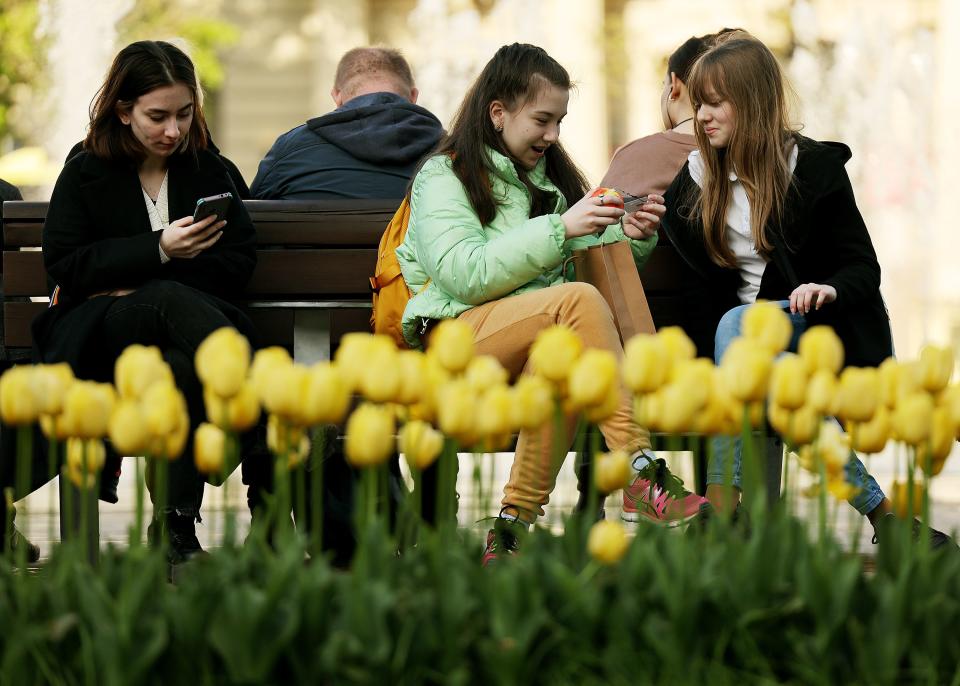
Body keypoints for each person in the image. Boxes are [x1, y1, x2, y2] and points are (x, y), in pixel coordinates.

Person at [395, 42, 707, 565]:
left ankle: (510, 528)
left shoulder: (547, 186)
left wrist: (632, 235)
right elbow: (463, 274)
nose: (553, 135)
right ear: (498, 112)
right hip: (457, 343)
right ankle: (639, 469)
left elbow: (569, 267)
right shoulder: (444, 176)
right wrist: (560, 227)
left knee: (561, 356)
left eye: (560, 121)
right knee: (575, 306)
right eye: (542, 120)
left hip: (530, 342)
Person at [661, 31, 954, 548]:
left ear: (752, 103)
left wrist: (826, 290)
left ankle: (721, 508)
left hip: (818, 325)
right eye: (698, 104)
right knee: (779, 395)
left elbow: (864, 269)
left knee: (738, 324)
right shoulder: (696, 179)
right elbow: (685, 282)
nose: (701, 117)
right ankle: (883, 515)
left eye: (715, 104)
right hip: (749, 355)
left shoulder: (812, 169)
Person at [32, 40, 263, 564]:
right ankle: (255, 404)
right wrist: (158, 250)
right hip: (101, 330)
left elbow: (240, 262)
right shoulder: (87, 170)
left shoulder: (207, 168)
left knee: (179, 365)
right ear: (123, 110)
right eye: (157, 116)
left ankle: (174, 527)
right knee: (160, 296)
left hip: (185, 330)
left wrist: (158, 267)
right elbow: (65, 263)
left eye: (184, 114)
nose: (174, 130)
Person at [592, 32, 720, 524]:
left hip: (635, 361)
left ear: (674, 86)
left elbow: (598, 247)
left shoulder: (638, 155)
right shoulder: (765, 155)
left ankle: (595, 505)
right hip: (723, 355)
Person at [250, 46, 443, 200]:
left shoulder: (290, 149)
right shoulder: (451, 149)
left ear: (337, 96)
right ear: (413, 96)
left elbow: (251, 212)